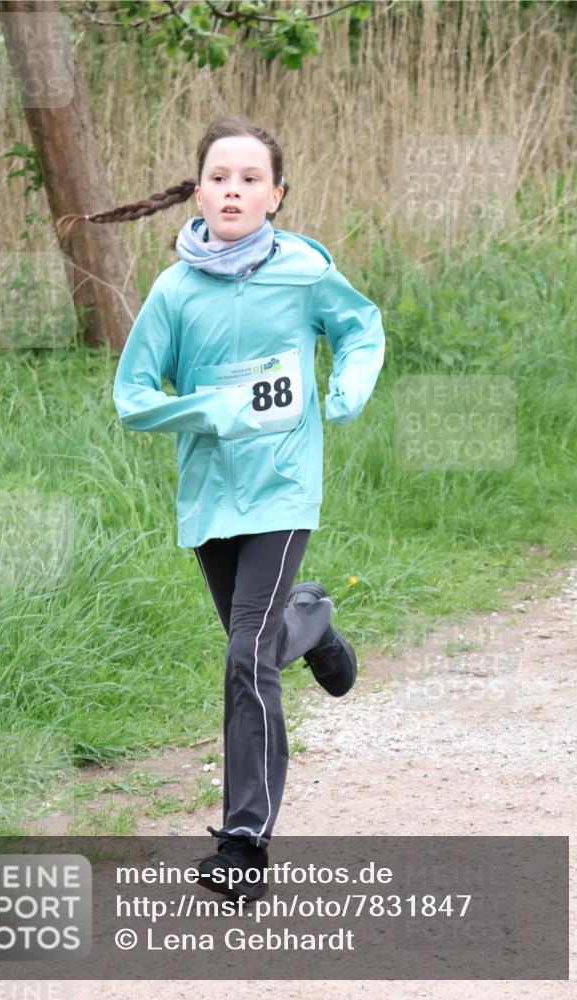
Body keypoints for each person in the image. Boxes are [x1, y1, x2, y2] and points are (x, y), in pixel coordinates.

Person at [57, 114, 385, 902]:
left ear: (275, 195)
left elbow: (360, 326)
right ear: (196, 192)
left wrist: (347, 386)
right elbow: (132, 399)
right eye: (217, 177)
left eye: (248, 179)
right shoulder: (173, 292)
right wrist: (208, 410)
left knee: (243, 656)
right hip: (211, 496)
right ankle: (314, 623)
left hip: (281, 488)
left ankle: (244, 842)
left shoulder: (303, 271)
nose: (232, 189)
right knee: (260, 649)